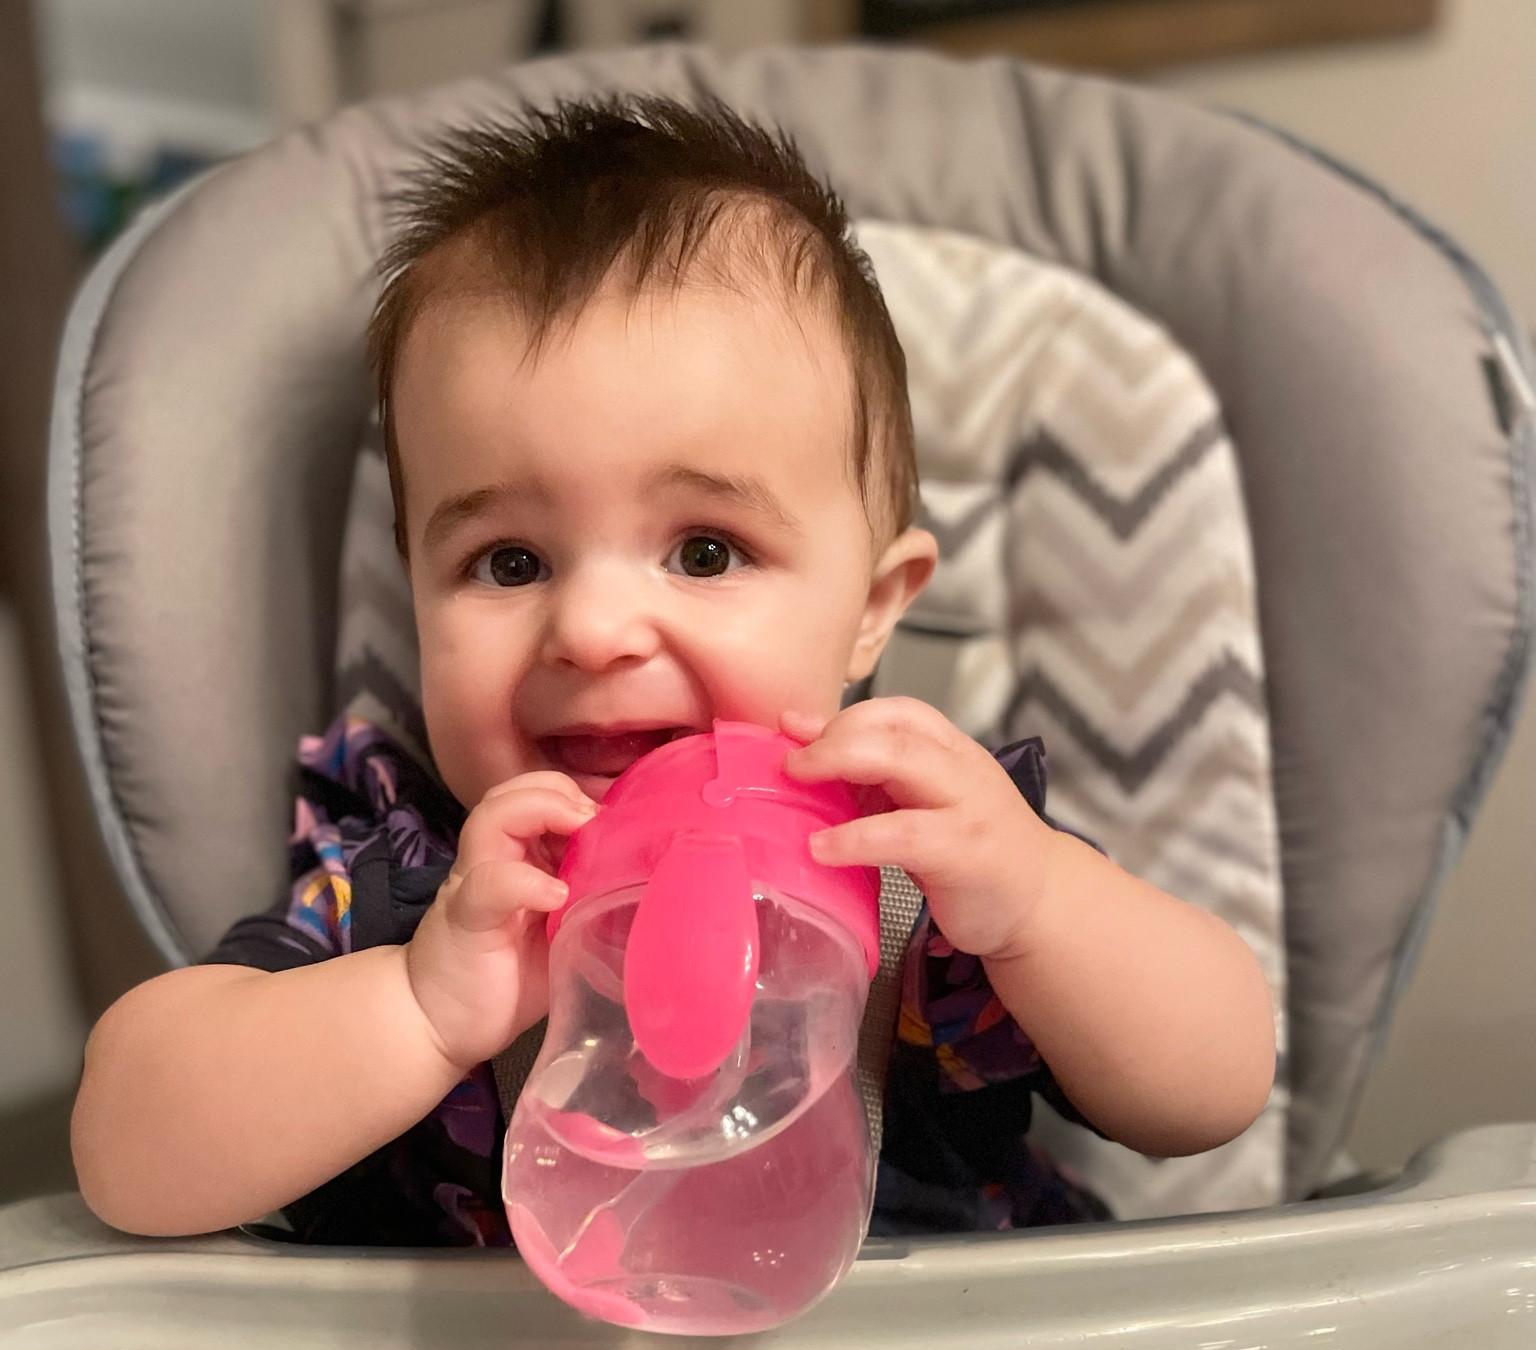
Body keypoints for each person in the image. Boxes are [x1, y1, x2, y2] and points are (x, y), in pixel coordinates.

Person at [72, 96, 1275, 1246]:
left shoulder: (927, 868)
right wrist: (422, 1005)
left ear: (870, 611)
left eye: (705, 550)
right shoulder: (406, 880)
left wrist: (1040, 904)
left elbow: (1213, 1086)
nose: (592, 630)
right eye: (506, 561)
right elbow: (126, 1149)